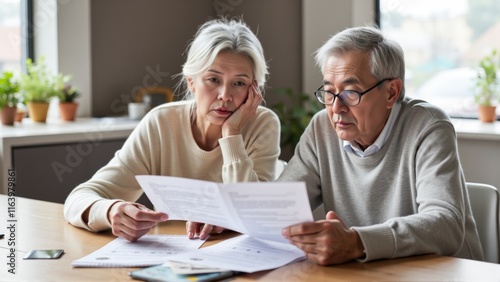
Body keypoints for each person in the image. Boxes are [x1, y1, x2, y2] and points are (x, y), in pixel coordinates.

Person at [279, 26, 484, 265]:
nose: (336, 108)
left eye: (351, 92)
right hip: (371, 272)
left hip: (445, 273)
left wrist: (356, 242)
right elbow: (280, 203)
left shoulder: (428, 125)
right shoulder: (321, 128)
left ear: (391, 92)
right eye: (329, 92)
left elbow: (445, 225)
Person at [64, 18, 280, 242]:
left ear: (253, 89)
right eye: (213, 79)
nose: (225, 95)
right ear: (191, 82)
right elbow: (79, 198)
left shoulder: (263, 124)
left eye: (239, 83)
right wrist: (111, 211)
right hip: (172, 256)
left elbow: (254, 215)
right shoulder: (161, 123)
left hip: (239, 261)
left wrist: (232, 134)